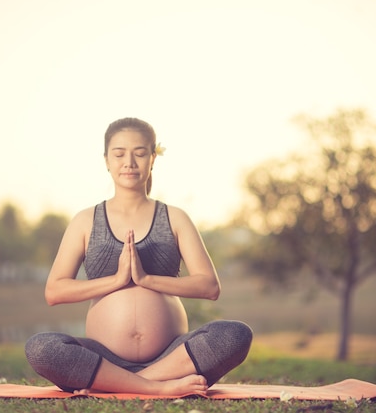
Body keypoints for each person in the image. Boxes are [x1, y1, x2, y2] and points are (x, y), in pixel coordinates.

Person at [25, 117, 252, 396]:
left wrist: (146, 278)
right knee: (41, 348)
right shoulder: (85, 221)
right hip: (103, 359)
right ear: (106, 160)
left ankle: (128, 385)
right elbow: (55, 291)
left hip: (172, 357)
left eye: (140, 153)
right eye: (119, 154)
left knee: (234, 335)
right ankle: (157, 387)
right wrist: (117, 280)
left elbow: (209, 286)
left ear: (153, 158)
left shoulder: (174, 218)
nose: (129, 162)